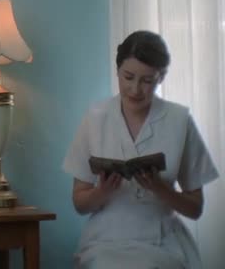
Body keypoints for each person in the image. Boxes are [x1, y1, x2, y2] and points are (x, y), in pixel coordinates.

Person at [62, 30, 219, 269]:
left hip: (163, 241)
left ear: (161, 77)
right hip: (105, 241)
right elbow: (79, 203)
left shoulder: (179, 120)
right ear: (117, 70)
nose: (135, 89)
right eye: (128, 77)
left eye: (147, 81)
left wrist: (160, 189)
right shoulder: (95, 118)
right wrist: (102, 191)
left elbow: (195, 208)